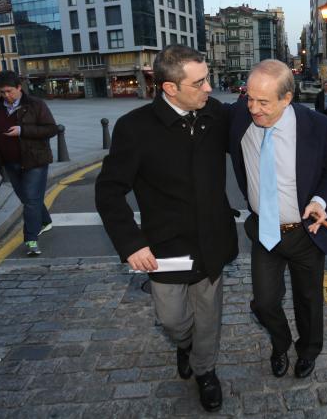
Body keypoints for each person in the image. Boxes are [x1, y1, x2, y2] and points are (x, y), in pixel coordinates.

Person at [95, 45, 237, 413]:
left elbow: (257, 125)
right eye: (200, 82)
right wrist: (131, 244)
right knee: (173, 321)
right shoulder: (134, 128)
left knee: (209, 318)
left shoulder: (216, 115)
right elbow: (109, 191)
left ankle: (205, 371)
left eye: (208, 79)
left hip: (212, 241)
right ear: (170, 88)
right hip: (165, 248)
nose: (209, 88)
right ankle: (185, 347)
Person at [228, 59, 327, 380]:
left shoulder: (317, 127)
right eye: (248, 97)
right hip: (265, 232)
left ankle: (308, 351)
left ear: (287, 98)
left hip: (305, 233)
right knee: (264, 303)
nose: (254, 108)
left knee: (309, 300)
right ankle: (280, 343)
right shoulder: (240, 116)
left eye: (263, 102)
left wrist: (320, 200)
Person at [0, 71, 58, 256]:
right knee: (28, 198)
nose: (6, 95)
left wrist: (22, 130)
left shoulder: (35, 104)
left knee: (31, 200)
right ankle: (45, 221)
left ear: (19, 88)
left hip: (35, 161)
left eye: (9, 91)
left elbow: (51, 129)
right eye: (2, 92)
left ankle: (31, 240)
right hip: (9, 162)